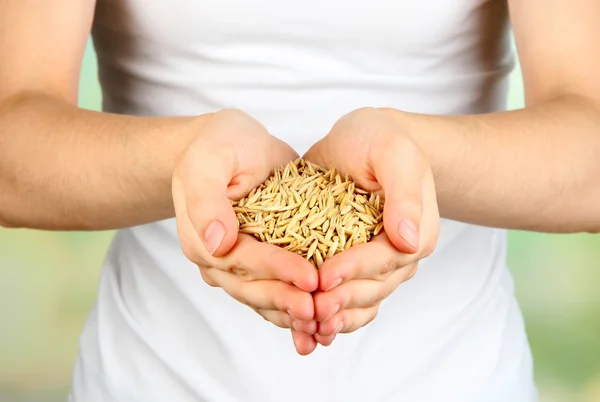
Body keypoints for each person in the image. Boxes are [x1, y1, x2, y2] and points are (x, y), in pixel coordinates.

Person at [1, 0, 599, 401]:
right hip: (154, 377)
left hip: (454, 378)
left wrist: (417, 154)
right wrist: (181, 156)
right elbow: (12, 144)